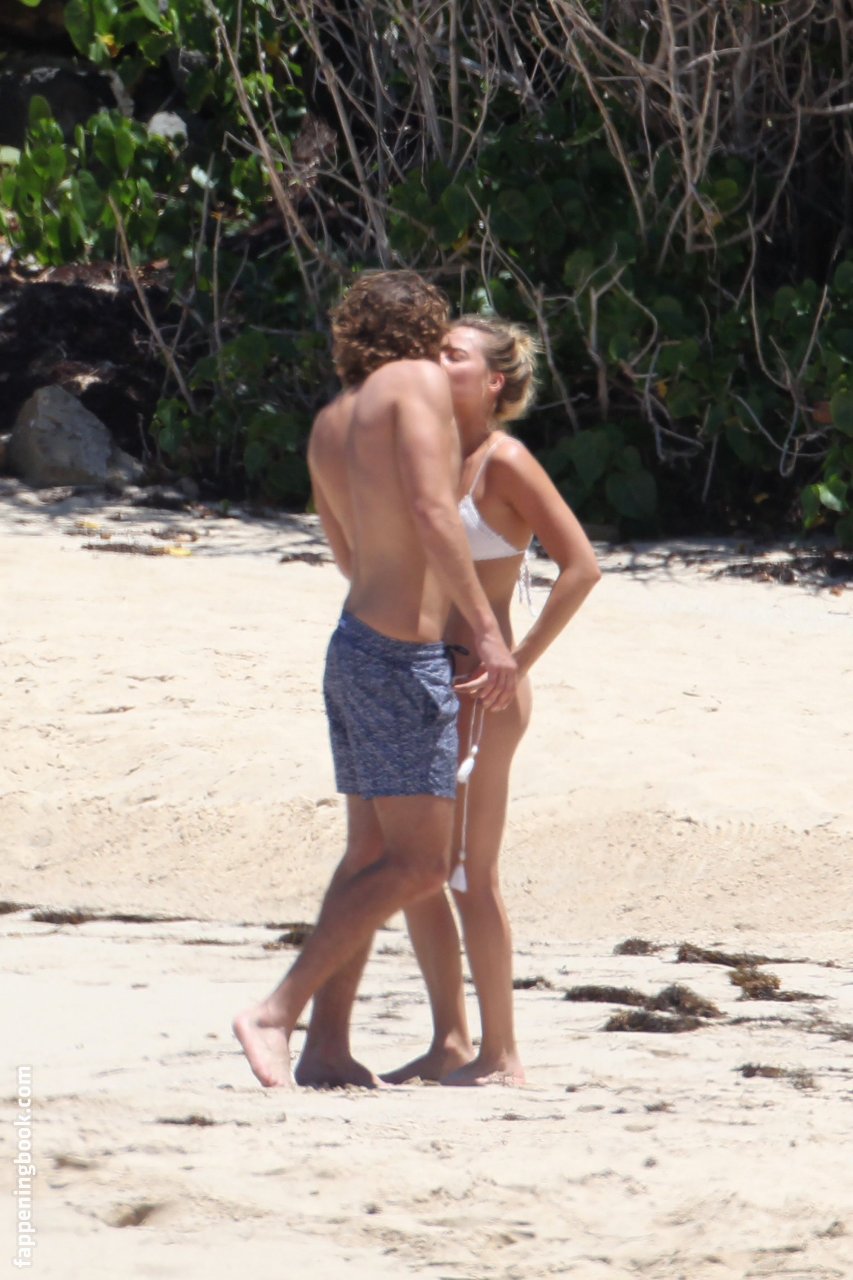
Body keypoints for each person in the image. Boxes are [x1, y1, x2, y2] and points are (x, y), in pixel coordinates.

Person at [233, 273, 517, 1088]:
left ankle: (326, 1046)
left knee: (367, 853)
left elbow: (346, 552)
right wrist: (485, 630)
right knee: (422, 865)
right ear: (424, 332)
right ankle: (277, 1010)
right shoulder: (415, 382)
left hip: (353, 644)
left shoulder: (331, 420)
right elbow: (432, 511)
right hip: (398, 657)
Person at [381, 315, 602, 1086]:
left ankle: (501, 1052)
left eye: (451, 353)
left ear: (492, 380)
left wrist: (517, 659)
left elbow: (581, 567)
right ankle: (448, 1039)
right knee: (415, 867)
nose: (433, 360)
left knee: (471, 873)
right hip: (411, 680)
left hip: (483, 690)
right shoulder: (419, 453)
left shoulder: (504, 462)